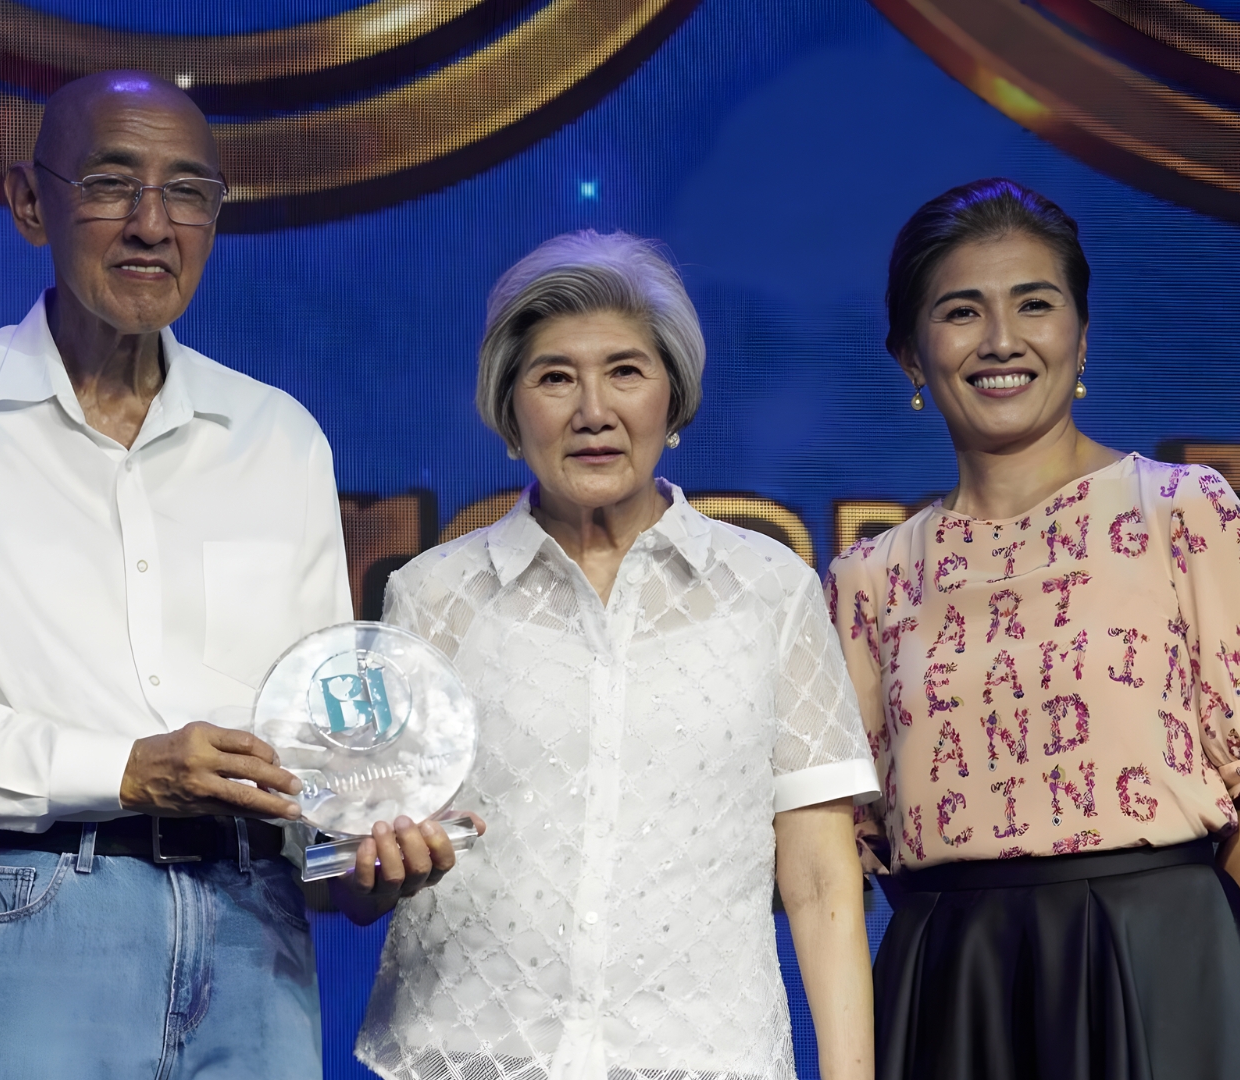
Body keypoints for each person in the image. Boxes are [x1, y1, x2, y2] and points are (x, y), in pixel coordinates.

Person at [0, 71, 461, 1080]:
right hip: (36, 911)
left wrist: (363, 856)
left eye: (187, 193)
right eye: (113, 184)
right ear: (31, 202)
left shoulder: (277, 437)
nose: (152, 224)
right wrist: (122, 768)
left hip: (256, 929)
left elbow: (314, 751)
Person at [826, 178, 1240, 1080]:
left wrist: (1208, 1010)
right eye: (961, 311)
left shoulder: (1181, 515)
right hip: (954, 992)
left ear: (1082, 335)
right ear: (910, 355)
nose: (1001, 340)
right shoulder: (869, 582)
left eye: (1035, 304)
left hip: (1163, 973)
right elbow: (844, 853)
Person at [354, 230, 881, 1080]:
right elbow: (356, 869)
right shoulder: (431, 595)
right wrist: (374, 868)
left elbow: (821, 882)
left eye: (626, 372)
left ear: (674, 401)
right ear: (509, 410)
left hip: (704, 1057)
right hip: (474, 1052)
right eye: (555, 377)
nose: (592, 410)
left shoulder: (770, 591)